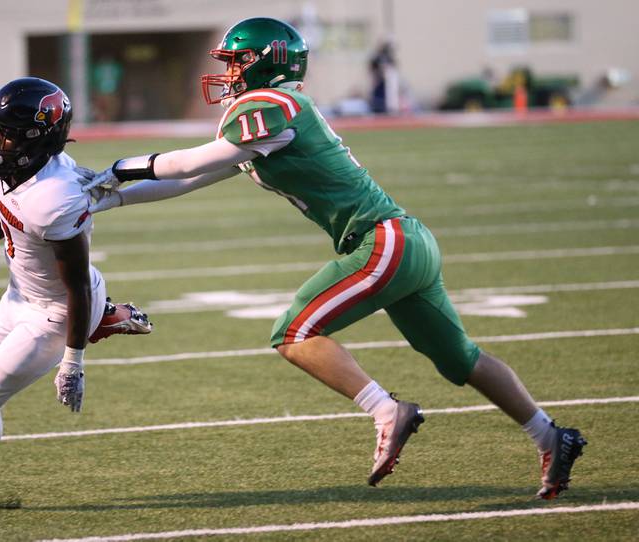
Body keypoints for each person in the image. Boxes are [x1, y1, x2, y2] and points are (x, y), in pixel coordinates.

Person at [78, 18, 586, 499]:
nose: (229, 72)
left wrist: (120, 167)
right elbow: (189, 179)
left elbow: (189, 161)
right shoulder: (275, 114)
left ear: (266, 62)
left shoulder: (271, 104)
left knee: (293, 333)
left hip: (379, 241)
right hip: (405, 241)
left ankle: (387, 411)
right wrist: (112, 196)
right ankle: (550, 436)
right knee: (460, 360)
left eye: (237, 61)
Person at [0, 77, 152, 517]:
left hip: (58, 309)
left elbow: (76, 282)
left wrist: (73, 362)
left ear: (37, 141)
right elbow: (5, 215)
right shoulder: (5, 165)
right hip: (19, 296)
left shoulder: (53, 196)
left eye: (7, 132)